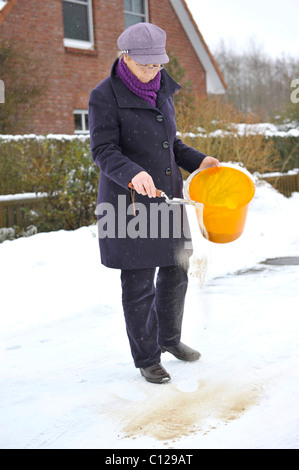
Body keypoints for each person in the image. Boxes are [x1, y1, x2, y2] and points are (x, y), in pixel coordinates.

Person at [88, 22, 220, 384]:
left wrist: (199, 160)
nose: (153, 72)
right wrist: (131, 173)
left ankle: (170, 339)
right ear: (125, 57)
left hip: (168, 200)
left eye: (157, 65)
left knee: (177, 271)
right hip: (128, 206)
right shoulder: (105, 95)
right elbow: (102, 150)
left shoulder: (162, 89)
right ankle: (147, 357)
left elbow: (171, 144)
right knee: (139, 283)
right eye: (146, 65)